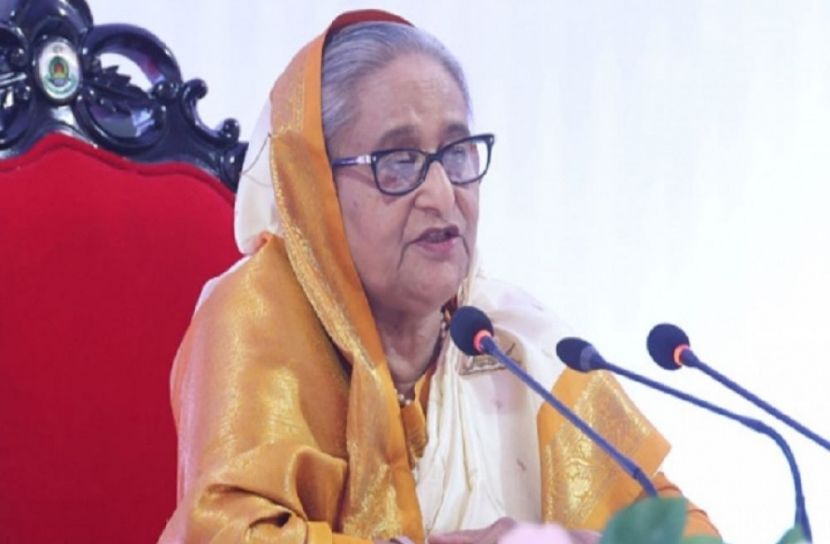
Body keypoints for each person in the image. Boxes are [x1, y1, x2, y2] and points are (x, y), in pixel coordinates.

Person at [159, 9, 719, 544]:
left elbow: (686, 531)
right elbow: (225, 532)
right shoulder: (259, 317)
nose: (442, 193)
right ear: (316, 187)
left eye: (456, 153)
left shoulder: (508, 341)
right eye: (398, 160)